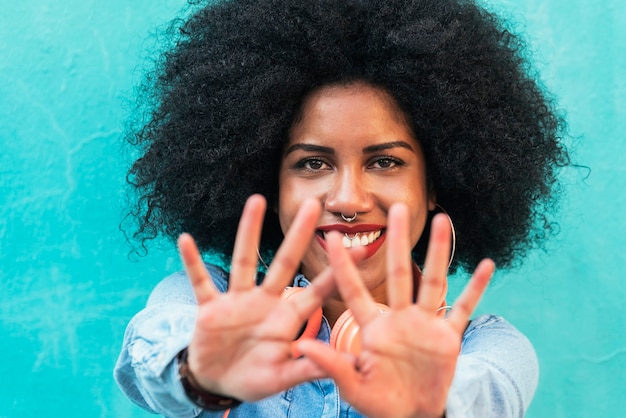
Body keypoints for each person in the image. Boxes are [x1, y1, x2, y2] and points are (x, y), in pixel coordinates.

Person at [114, 0, 569, 417]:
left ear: (436, 185)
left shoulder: (487, 347)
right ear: (270, 185)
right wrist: (202, 373)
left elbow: (486, 394)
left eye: (386, 161)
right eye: (313, 163)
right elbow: (155, 358)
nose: (348, 200)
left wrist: (428, 403)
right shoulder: (206, 302)